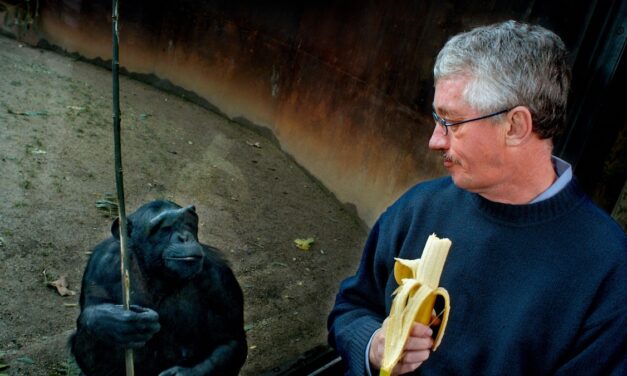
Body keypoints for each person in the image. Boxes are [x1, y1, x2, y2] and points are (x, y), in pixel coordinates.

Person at [327, 20, 627, 376]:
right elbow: (351, 308)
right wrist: (372, 344)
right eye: (437, 118)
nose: (435, 140)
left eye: (451, 122)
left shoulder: (608, 267)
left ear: (515, 126)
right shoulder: (419, 206)